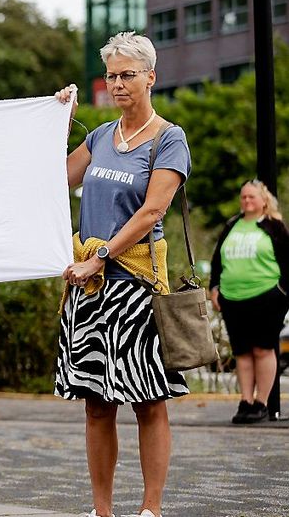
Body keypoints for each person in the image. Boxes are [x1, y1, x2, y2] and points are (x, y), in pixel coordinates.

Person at [54, 32, 191, 517]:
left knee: (148, 400)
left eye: (127, 75)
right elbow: (51, 180)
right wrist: (59, 123)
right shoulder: (99, 137)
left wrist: (102, 256)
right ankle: (102, 510)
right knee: (96, 402)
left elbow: (152, 211)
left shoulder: (168, 138)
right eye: (111, 76)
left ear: (151, 77)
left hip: (135, 287)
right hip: (89, 289)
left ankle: (150, 509)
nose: (117, 84)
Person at [209, 179, 289, 424]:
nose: (246, 201)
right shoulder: (232, 225)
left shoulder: (273, 226)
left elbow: (287, 260)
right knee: (242, 352)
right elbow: (217, 260)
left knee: (263, 350)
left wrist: (282, 292)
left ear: (264, 200)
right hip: (233, 299)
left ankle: (261, 403)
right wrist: (214, 287)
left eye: (252, 197)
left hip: (266, 297)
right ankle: (245, 401)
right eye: (243, 197)